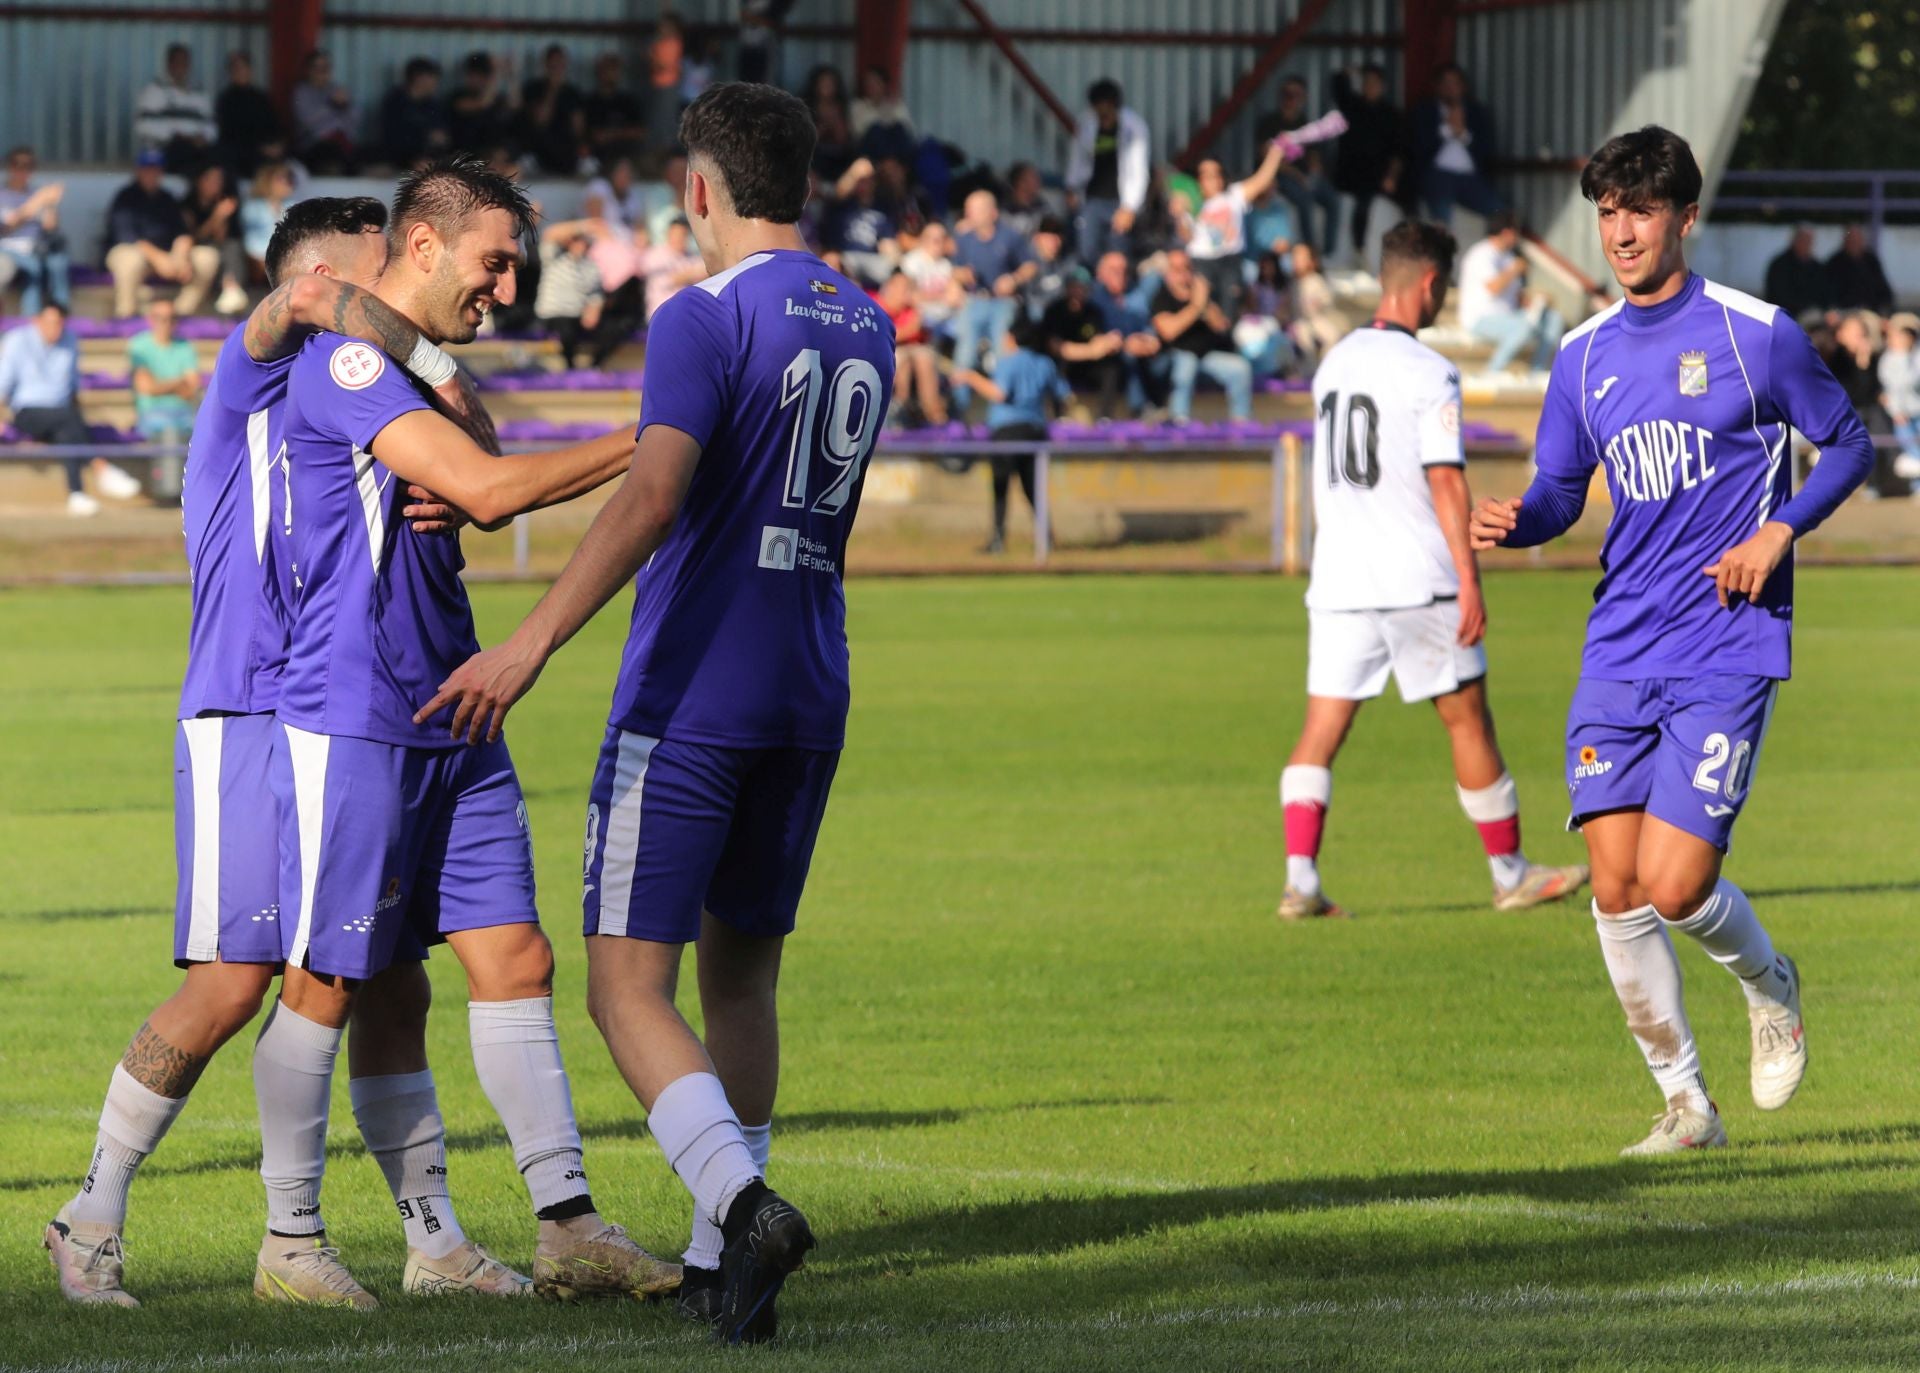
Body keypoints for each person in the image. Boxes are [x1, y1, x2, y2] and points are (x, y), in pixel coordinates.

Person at [415, 82, 895, 1346]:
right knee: (744, 973)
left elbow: (653, 494)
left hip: (694, 691)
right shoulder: (867, 318)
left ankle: (741, 1208)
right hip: (811, 683)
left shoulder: (700, 312)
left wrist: (528, 639)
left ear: (698, 188)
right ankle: (712, 1259)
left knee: (628, 983)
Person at [41, 198, 529, 1309]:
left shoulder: (365, 393)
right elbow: (314, 302)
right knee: (235, 978)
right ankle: (92, 1213)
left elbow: (477, 471)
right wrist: (417, 350)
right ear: (320, 277)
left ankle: (434, 1237)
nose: (384, 309)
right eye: (372, 282)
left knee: (388, 976)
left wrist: (450, 411)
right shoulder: (259, 368)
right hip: (247, 710)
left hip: (346, 709)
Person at [259, 155, 680, 1304]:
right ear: (428, 244)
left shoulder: (421, 369)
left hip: (454, 700)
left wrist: (467, 423)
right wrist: (664, 439)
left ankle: (563, 1224)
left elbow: (476, 470)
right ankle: (288, 1238)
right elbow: (488, 493)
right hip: (356, 710)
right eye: (494, 261)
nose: (506, 285)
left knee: (515, 958)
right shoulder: (346, 361)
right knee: (332, 979)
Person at [1470, 126, 1874, 1155]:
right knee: (1613, 882)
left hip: (1726, 642)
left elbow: (1850, 440)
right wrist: (1523, 516)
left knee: (1677, 882)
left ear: (1685, 217)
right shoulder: (1582, 353)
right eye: (1607, 211)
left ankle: (1768, 983)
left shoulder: (1755, 332)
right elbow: (1566, 489)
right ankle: (1687, 1103)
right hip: (1618, 645)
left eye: (1641, 210)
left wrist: (1778, 529)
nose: (1621, 231)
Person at [1280, 220, 1587, 922]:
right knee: (1468, 720)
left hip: (1340, 578)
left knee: (1320, 729)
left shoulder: (1335, 362)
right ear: (1427, 282)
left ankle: (1300, 881)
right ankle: (1509, 872)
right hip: (1418, 575)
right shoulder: (1426, 370)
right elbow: (1446, 481)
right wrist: (1471, 577)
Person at [0, 304, 142, 517]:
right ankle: (100, 467)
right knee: (68, 419)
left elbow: (72, 388)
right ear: (37, 321)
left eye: (59, 323)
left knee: (67, 431)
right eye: (50, 323)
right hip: (27, 412)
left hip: (62, 414)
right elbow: (3, 383)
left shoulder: (70, 341)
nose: (55, 329)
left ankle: (77, 494)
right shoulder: (16, 341)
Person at [950, 315, 1065, 552]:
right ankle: (1047, 540)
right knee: (1033, 489)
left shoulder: (1008, 362)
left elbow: (999, 394)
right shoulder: (1045, 363)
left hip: (1007, 431)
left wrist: (971, 378)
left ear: (1012, 339)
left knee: (1001, 488)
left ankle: (998, 541)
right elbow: (1061, 395)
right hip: (1035, 431)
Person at [949, 188, 1035, 414]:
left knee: (1002, 355)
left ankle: (1003, 413)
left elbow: (1030, 266)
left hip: (1003, 303)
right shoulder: (964, 239)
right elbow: (955, 270)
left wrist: (1013, 279)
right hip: (975, 300)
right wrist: (963, 275)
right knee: (964, 356)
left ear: (992, 212)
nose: (970, 215)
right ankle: (958, 413)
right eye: (969, 210)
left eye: (975, 210)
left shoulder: (1010, 236)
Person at [104, 150, 219, 317]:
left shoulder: (167, 198)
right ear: (138, 171)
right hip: (136, 254)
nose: (151, 173)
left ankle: (180, 314)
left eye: (156, 169)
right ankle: (127, 315)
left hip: (167, 257)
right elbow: (130, 238)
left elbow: (182, 233)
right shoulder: (125, 198)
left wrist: (180, 256)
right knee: (130, 259)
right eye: (147, 168)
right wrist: (161, 260)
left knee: (208, 257)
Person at [1184, 141, 1288, 315]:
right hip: (1201, 263)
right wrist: (1181, 215)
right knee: (1204, 311)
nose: (1214, 180)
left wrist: (1275, 153)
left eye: (1217, 174)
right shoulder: (1193, 203)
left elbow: (1262, 180)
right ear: (1198, 180)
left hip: (1229, 261)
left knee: (1229, 311)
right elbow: (1186, 236)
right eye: (1207, 176)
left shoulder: (1233, 195)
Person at [1150, 247, 1252, 424]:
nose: (1183, 274)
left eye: (1187, 268)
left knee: (1240, 368)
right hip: (1173, 358)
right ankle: (1179, 419)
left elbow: (1221, 326)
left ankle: (1240, 421)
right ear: (1167, 273)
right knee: (1187, 363)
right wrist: (1196, 308)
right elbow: (1168, 331)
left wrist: (1204, 303)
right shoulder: (1161, 297)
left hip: (1205, 357)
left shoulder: (1201, 295)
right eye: (1177, 269)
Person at [1457, 211, 1563, 374]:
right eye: (1516, 233)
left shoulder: (1508, 257)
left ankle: (1537, 372)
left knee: (1554, 319)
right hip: (1480, 318)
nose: (1518, 237)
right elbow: (1494, 288)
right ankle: (1491, 372)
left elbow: (1516, 296)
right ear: (1507, 232)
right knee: (1524, 327)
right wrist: (1514, 270)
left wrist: (1534, 303)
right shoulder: (1481, 254)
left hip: (1509, 316)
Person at [1066, 79, 1150, 265]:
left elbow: (1138, 170)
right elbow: (1078, 158)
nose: (1102, 116)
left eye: (1106, 111)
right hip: (1092, 199)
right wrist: (1072, 186)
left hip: (1119, 201)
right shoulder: (1087, 124)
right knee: (1087, 251)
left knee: (1118, 253)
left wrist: (1129, 208)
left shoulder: (1133, 127)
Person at [1257, 75, 1340, 258]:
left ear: (1303, 98)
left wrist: (1315, 169)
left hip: (1304, 176)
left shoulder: (1305, 124)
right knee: (1305, 199)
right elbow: (1269, 159)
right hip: (1280, 176)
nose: (1291, 99)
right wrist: (1298, 175)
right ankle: (1309, 251)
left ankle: (1328, 253)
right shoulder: (1270, 123)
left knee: (1333, 199)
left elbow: (1314, 153)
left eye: (1296, 94)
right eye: (1288, 94)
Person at [126, 297, 200, 500]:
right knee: (169, 429)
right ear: (150, 319)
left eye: (171, 318)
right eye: (160, 318)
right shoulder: (139, 345)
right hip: (153, 414)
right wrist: (177, 383)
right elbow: (146, 388)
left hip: (184, 413)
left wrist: (162, 385)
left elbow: (191, 389)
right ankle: (168, 491)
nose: (166, 323)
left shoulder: (185, 346)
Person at [1410, 63, 1501, 225]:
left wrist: (1463, 134)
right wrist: (1446, 130)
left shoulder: (1476, 112)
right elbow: (1418, 147)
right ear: (1437, 87)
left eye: (1455, 83)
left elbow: (1487, 149)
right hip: (1438, 175)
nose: (1450, 88)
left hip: (1470, 178)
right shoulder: (1425, 111)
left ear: (1463, 87)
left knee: (1499, 213)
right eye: (1445, 83)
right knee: (1441, 218)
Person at [1331, 64, 1405, 262]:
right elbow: (1337, 83)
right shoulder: (1352, 106)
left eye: (1375, 83)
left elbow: (1398, 151)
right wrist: (1353, 71)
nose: (1371, 87)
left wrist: (1392, 176)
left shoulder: (1391, 114)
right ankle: (1359, 248)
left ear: (1383, 86)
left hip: (1379, 174)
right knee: (1362, 204)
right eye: (1367, 83)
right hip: (1351, 172)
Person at [1041, 266, 1126, 420]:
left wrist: (1110, 342)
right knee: (1055, 366)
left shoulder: (1093, 311)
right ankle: (1058, 415)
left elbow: (1098, 340)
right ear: (1067, 288)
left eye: (1083, 287)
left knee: (1111, 367)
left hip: (1086, 365)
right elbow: (1057, 348)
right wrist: (1091, 351)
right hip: (1064, 363)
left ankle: (1104, 418)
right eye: (1075, 286)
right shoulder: (1054, 311)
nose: (1079, 291)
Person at [534, 218, 614, 370]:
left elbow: (596, 294)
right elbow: (550, 234)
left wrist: (594, 309)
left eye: (583, 241)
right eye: (577, 240)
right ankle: (570, 369)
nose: (580, 245)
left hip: (578, 316)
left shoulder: (591, 266)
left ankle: (594, 365)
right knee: (566, 328)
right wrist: (585, 226)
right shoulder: (554, 257)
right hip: (554, 315)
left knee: (612, 328)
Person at [0, 145, 70, 313]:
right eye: (18, 165)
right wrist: (38, 201)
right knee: (33, 267)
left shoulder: (36, 193)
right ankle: (30, 317)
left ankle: (61, 313)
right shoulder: (3, 194)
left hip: (36, 246)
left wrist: (51, 204)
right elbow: (6, 227)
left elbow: (50, 226)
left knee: (58, 262)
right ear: (10, 167)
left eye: (28, 166)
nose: (23, 171)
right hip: (8, 248)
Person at [874, 267, 945, 426]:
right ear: (890, 287)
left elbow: (919, 333)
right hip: (886, 354)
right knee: (903, 359)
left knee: (923, 357)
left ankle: (934, 413)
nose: (906, 292)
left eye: (908, 287)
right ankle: (900, 410)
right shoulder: (877, 306)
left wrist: (916, 310)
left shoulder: (912, 308)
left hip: (912, 352)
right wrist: (907, 331)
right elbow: (886, 337)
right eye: (901, 287)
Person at [135, 43, 217, 173]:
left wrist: (203, 137)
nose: (181, 66)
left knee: (220, 157)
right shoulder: (155, 90)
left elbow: (212, 126)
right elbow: (143, 126)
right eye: (177, 61)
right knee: (185, 153)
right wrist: (177, 136)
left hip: (197, 149)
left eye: (185, 62)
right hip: (167, 150)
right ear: (169, 64)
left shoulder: (200, 93)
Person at [181, 163, 250, 315]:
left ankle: (232, 289)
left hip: (221, 251)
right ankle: (230, 289)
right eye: (210, 179)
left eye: (219, 180)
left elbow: (224, 238)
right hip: (195, 251)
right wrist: (217, 217)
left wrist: (223, 218)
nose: (215, 184)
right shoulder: (188, 204)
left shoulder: (225, 201)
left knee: (232, 246)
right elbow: (195, 237)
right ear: (199, 181)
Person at [521, 44, 587, 176]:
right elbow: (541, 120)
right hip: (540, 146)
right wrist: (553, 89)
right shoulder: (534, 88)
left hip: (566, 148)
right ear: (546, 64)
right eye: (553, 64)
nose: (556, 67)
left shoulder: (573, 92)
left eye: (560, 63)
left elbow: (578, 129)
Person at [291, 49, 359, 175]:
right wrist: (331, 105)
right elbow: (307, 121)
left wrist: (345, 105)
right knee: (331, 151)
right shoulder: (301, 91)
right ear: (308, 70)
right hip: (313, 145)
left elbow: (355, 120)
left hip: (342, 143)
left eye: (326, 67)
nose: (322, 72)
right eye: (317, 67)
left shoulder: (335, 88)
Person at [215, 51, 282, 178]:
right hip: (242, 152)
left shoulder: (261, 97)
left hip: (267, 150)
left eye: (243, 67)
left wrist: (277, 145)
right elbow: (230, 133)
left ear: (250, 70)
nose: (240, 72)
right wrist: (261, 148)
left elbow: (274, 125)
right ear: (230, 72)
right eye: (236, 68)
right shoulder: (226, 99)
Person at [1287, 241, 1351, 367]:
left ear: (1312, 261)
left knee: (1332, 336)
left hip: (1318, 319)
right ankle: (1309, 369)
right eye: (1295, 258)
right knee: (1304, 341)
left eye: (1301, 258)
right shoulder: (1292, 284)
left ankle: (1325, 365)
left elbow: (1326, 299)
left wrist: (1317, 303)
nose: (1297, 261)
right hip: (1299, 321)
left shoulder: (1316, 280)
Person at [381, 57, 451, 169]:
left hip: (426, 158)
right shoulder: (396, 102)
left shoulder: (432, 105)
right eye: (433, 78)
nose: (436, 83)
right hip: (398, 160)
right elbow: (392, 136)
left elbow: (440, 136)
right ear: (419, 77)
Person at [1878, 311, 1920, 485]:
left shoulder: (1917, 357)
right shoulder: (1886, 360)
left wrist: (1904, 357)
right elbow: (1890, 388)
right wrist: (1896, 411)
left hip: (1917, 412)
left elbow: (1912, 381)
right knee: (1911, 450)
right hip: (1900, 416)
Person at [449, 51, 517, 156]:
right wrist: (496, 72)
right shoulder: (457, 96)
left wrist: (510, 75)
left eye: (484, 75)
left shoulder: (497, 97)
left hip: (495, 153)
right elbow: (483, 104)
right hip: (467, 154)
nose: (481, 80)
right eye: (476, 75)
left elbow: (515, 104)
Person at [639, 216, 707, 320]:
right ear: (668, 234)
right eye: (676, 234)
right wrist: (693, 274)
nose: (679, 238)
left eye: (683, 235)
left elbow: (708, 272)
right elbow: (670, 279)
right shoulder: (655, 254)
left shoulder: (691, 257)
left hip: (686, 316)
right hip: (660, 315)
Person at [849, 63, 914, 165]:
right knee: (876, 130)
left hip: (896, 151)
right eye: (869, 83)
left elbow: (907, 128)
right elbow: (860, 130)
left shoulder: (895, 104)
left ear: (884, 85)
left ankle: (894, 165)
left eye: (876, 83)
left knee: (898, 128)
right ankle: (889, 164)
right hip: (869, 150)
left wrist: (891, 106)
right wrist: (880, 112)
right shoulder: (858, 106)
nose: (872, 87)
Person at [583, 53, 645, 160]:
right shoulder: (590, 102)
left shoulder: (627, 101)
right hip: (597, 158)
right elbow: (592, 134)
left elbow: (640, 132)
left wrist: (611, 134)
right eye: (608, 69)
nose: (611, 74)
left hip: (626, 157)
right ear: (599, 72)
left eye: (615, 70)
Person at [241, 161, 296, 281]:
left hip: (284, 256)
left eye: (289, 179)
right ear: (267, 182)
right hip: (259, 258)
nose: (288, 183)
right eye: (282, 179)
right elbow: (250, 240)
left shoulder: (293, 206)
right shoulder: (253, 206)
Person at [1762, 227, 1828, 324]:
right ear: (1794, 241)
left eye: (1809, 241)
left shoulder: (1816, 266)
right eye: (1803, 240)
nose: (1806, 244)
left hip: (1813, 315)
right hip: (1786, 316)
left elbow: (1823, 293)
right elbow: (1778, 296)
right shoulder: (1779, 265)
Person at [1826, 224, 1894, 315]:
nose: (1854, 243)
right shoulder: (1834, 262)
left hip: (1870, 311)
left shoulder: (1871, 261)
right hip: (1843, 312)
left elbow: (1884, 291)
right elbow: (1828, 295)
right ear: (1845, 241)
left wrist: (1884, 311)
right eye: (1852, 240)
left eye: (1857, 240)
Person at [647, 14, 686, 150]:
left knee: (667, 116)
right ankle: (658, 146)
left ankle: (667, 147)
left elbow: (664, 65)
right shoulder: (659, 43)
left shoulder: (674, 43)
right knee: (657, 116)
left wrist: (652, 58)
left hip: (669, 84)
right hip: (657, 84)